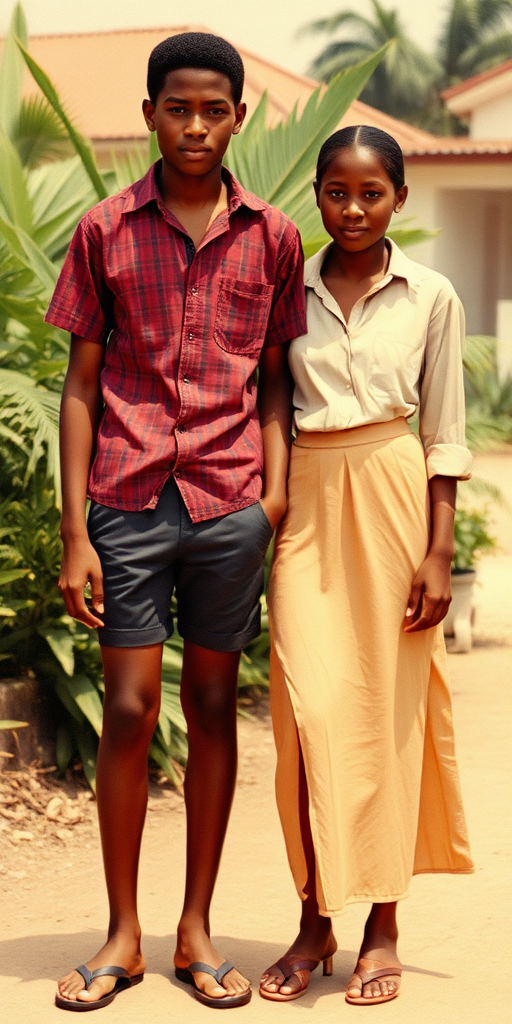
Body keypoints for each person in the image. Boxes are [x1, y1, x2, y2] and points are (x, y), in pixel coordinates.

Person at [45, 32, 306, 1011]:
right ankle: (121, 930)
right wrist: (75, 530)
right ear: (151, 112)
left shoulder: (271, 236)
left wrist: (270, 495)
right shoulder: (104, 229)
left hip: (229, 505)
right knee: (126, 710)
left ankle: (194, 927)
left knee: (207, 710)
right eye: (177, 108)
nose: (195, 125)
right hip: (125, 499)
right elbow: (79, 383)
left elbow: (276, 379)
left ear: (237, 116)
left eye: (213, 109)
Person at [259, 125, 474, 1007]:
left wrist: (438, 549)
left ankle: (381, 922)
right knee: (304, 717)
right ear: (316, 194)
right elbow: (273, 396)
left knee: (389, 716)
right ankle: (315, 915)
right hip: (305, 498)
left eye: (372, 194)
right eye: (338, 193)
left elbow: (444, 430)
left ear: (399, 199)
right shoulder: (286, 288)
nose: (353, 209)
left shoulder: (432, 295)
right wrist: (269, 505)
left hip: (394, 492)